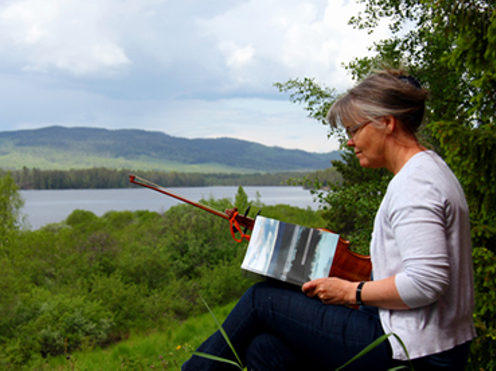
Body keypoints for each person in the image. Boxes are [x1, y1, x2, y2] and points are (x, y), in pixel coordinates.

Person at [182, 69, 476, 370]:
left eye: (353, 130)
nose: (349, 142)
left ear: (387, 123)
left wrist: (352, 291)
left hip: (416, 348)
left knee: (262, 301)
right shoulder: (427, 171)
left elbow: (427, 282)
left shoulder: (416, 184)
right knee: (266, 350)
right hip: (423, 339)